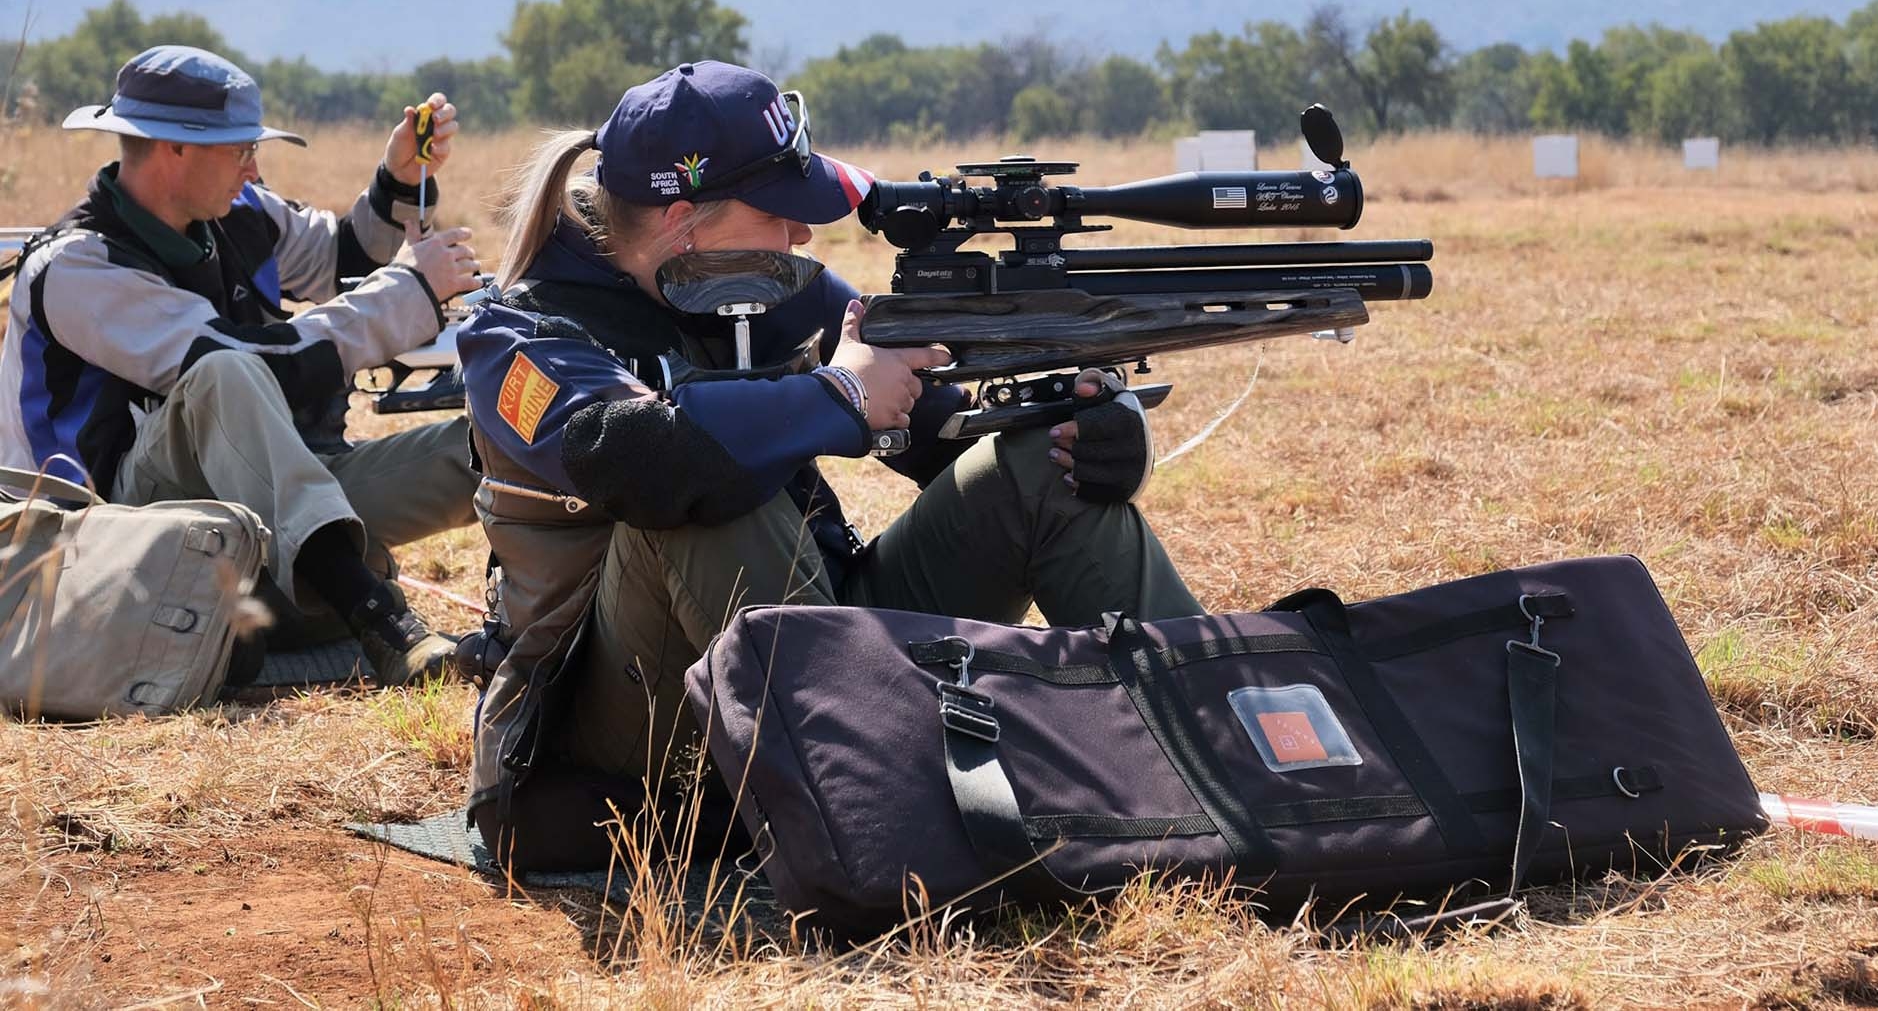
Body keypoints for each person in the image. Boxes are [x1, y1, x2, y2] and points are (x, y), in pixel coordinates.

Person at [459, 59, 1203, 869]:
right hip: (619, 737)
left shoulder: (771, 285)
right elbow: (635, 460)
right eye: (778, 212)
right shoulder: (517, 335)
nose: (803, 236)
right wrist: (839, 395)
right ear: (684, 222)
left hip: (803, 649)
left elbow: (942, 428)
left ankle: (1233, 758)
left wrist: (1092, 429)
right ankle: (886, 825)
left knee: (1031, 474)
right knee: (708, 493)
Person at [0, 45, 485, 684]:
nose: (254, 166)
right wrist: (411, 295)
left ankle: (555, 613)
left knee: (480, 448)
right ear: (173, 148)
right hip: (113, 533)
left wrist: (395, 178)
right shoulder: (76, 268)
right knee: (223, 377)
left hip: (259, 495)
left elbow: (342, 255)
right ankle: (376, 615)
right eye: (241, 149)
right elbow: (244, 364)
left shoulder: (238, 211)